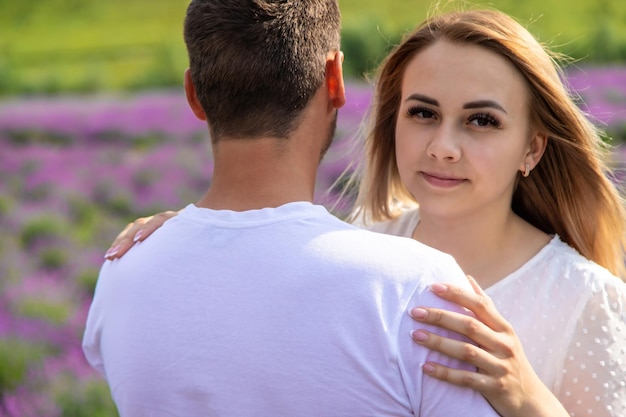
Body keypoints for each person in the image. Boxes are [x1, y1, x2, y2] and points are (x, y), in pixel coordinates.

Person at [103, 7, 626, 417]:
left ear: (532, 149)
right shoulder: (366, 246)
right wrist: (197, 232)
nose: (443, 146)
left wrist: (527, 394)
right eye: (423, 113)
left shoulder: (586, 298)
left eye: (481, 121)